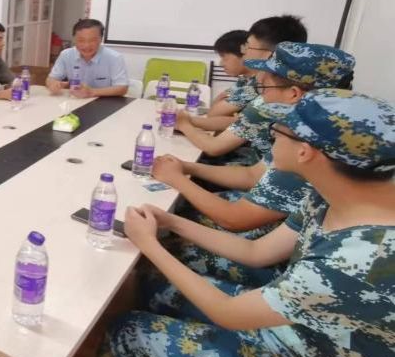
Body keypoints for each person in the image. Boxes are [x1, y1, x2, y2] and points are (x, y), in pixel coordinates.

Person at [86, 89, 395, 357]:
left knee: (128, 335)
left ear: (305, 151)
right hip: (301, 333)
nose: (270, 139)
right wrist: (173, 222)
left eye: (277, 131)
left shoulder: (361, 259)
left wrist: (149, 243)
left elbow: (229, 313)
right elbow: (256, 252)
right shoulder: (332, 195)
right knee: (156, 287)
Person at [149, 42, 355, 291]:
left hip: (285, 276)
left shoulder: (308, 151)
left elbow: (236, 221)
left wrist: (177, 180)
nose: (258, 84)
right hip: (279, 251)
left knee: (151, 265)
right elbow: (252, 174)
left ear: (293, 94)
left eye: (265, 82)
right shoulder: (328, 134)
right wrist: (186, 168)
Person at [175, 15, 309, 159]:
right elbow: (240, 122)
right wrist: (189, 121)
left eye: (247, 46)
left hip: (248, 162)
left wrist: (184, 124)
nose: (244, 51)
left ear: (268, 55)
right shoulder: (280, 86)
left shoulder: (270, 96)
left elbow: (215, 146)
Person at [188, 29, 255, 133]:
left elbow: (214, 113)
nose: (221, 63)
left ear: (245, 54)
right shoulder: (244, 79)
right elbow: (216, 106)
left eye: (224, 57)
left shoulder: (256, 85)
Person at [45, 19, 128, 98]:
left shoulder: (114, 57)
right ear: (74, 39)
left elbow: (122, 88)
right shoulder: (66, 55)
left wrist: (92, 92)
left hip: (104, 102)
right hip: (75, 100)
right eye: (81, 40)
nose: (86, 45)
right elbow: (51, 78)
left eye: (92, 40)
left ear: (101, 39)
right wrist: (53, 84)